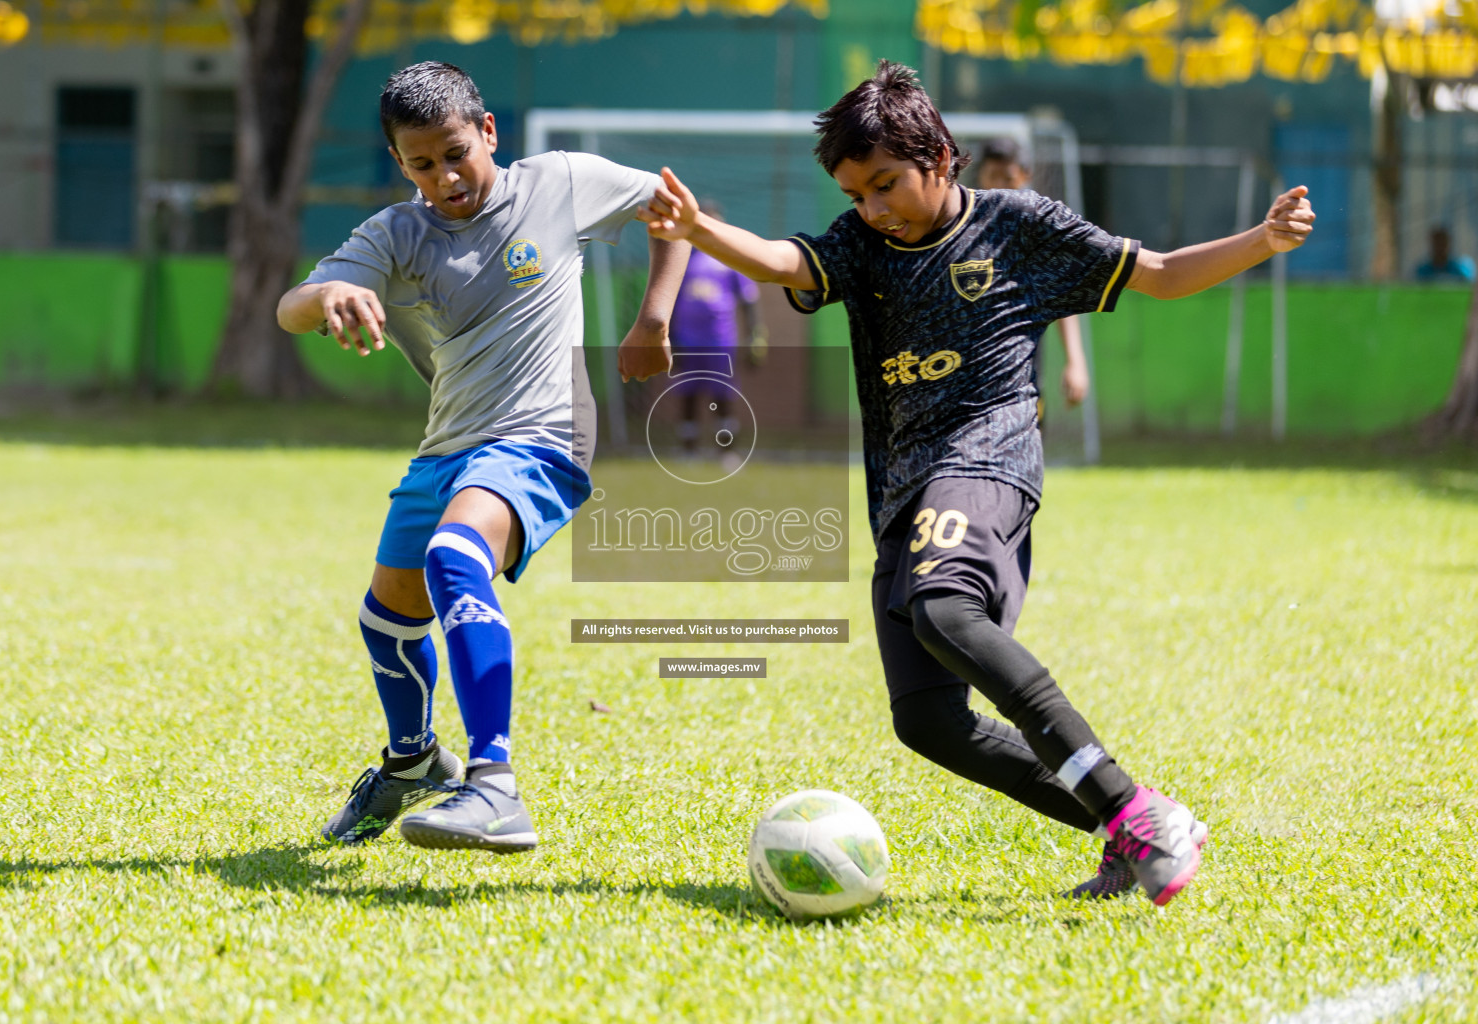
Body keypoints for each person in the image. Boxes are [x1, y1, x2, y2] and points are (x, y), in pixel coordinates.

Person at [638, 61, 1313, 904]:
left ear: (941, 156)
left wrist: (1264, 239)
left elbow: (1164, 272)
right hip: (902, 493)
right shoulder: (861, 245)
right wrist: (699, 228)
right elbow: (784, 263)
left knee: (945, 607)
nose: (873, 207)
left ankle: (1136, 811)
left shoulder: (1021, 227)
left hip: (988, 458)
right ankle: (1122, 828)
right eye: (857, 194)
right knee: (927, 722)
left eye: (885, 184)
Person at [276, 61, 686, 852]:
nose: (446, 177)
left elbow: (671, 210)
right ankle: (411, 763)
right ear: (401, 163)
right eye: (423, 165)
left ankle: (493, 785)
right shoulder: (398, 233)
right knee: (387, 618)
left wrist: (653, 321)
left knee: (455, 557)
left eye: (457, 153)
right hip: (447, 447)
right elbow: (289, 307)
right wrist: (328, 297)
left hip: (542, 434)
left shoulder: (561, 183)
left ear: (488, 132)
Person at [976, 137, 1089, 416]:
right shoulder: (964, 222)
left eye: (1008, 177)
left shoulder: (1037, 229)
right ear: (981, 174)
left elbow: (1060, 293)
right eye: (993, 175)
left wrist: (1075, 361)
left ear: (1026, 176)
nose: (999, 185)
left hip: (1021, 362)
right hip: (969, 363)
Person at [668, 200, 766, 455]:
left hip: (720, 339)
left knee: (722, 395)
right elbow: (669, 301)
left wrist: (755, 334)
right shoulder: (682, 258)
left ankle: (727, 451)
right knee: (688, 394)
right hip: (687, 341)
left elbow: (749, 300)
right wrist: (667, 335)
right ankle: (688, 450)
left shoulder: (730, 259)